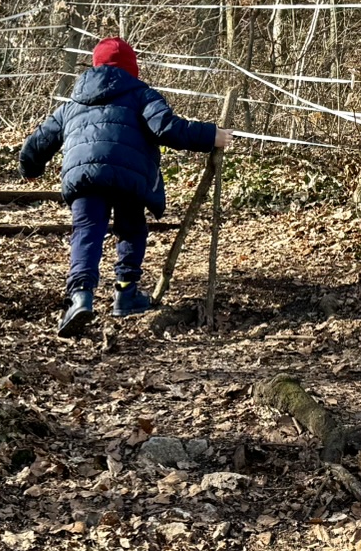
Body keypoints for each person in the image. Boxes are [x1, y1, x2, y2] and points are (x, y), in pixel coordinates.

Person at [18, 36, 232, 336]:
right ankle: (126, 292)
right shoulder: (142, 95)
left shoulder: (73, 103)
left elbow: (40, 140)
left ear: (95, 66)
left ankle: (80, 296)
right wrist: (211, 135)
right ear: (133, 68)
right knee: (131, 230)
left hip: (85, 177)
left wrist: (30, 168)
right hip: (128, 176)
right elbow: (167, 128)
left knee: (87, 231)